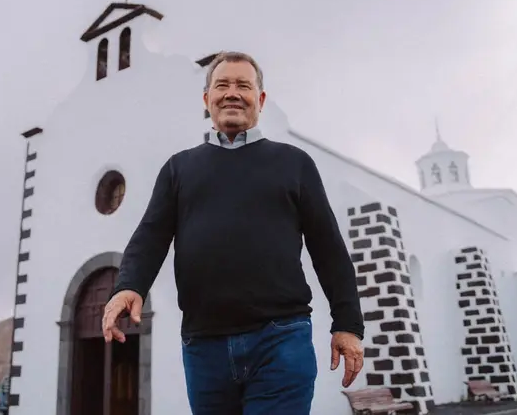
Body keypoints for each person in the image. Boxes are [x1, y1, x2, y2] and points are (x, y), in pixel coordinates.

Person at [101, 51, 365, 414]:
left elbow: (328, 249)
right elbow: (150, 235)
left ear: (261, 99)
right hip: (203, 347)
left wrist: (347, 324)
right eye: (222, 85)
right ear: (206, 98)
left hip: (281, 340)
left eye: (243, 85)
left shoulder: (295, 164)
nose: (232, 93)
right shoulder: (178, 169)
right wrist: (128, 285)